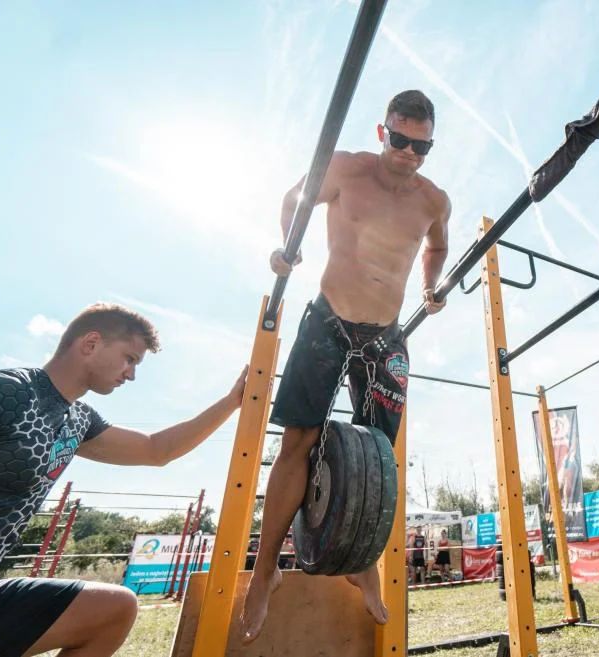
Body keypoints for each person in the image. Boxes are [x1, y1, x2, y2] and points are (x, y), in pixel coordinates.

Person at [240, 89, 451, 643]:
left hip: (386, 335)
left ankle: (366, 563)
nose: (408, 152)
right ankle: (266, 573)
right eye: (400, 139)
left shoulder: (434, 200)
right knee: (297, 440)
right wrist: (286, 246)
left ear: (431, 145)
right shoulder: (345, 169)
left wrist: (431, 287)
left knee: (380, 457)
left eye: (420, 145)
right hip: (328, 319)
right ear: (383, 132)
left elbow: (436, 248)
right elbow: (295, 198)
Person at [0, 303, 247, 657]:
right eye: (129, 359)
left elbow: (157, 450)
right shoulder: (6, 392)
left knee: (114, 608)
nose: (131, 375)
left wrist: (232, 402)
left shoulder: (78, 421)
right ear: (91, 343)